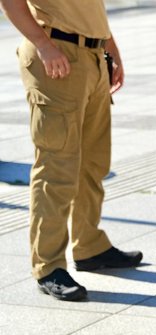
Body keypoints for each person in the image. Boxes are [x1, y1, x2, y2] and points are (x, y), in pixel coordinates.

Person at [1, 0, 142, 302]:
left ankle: (90, 246)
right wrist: (42, 44)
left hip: (93, 56)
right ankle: (48, 265)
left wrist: (110, 48)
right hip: (56, 55)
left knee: (93, 163)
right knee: (57, 168)